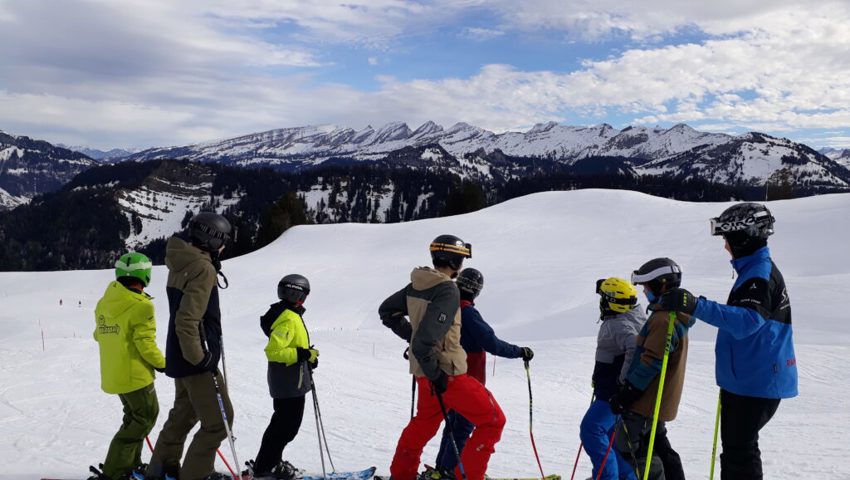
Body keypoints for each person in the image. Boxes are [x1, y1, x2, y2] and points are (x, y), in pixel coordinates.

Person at [653, 203, 797, 480]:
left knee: (740, 452)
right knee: (736, 450)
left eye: (727, 239)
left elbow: (746, 321)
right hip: (749, 378)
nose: (725, 247)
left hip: (756, 382)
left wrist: (695, 305)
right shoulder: (754, 269)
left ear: (743, 238)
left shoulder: (759, 274)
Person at [379, 234, 505, 480]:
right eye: (461, 259)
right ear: (454, 261)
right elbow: (426, 339)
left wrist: (412, 339)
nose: (461, 266)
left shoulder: (417, 284)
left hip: (424, 374)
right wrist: (437, 372)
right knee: (493, 421)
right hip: (446, 374)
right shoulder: (447, 289)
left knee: (424, 423)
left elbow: (387, 311)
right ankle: (468, 476)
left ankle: (401, 474)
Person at [146, 212, 234, 480]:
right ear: (211, 239)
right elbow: (187, 319)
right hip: (195, 358)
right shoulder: (203, 268)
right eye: (223, 241)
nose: (224, 247)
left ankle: (161, 468)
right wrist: (201, 359)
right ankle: (197, 474)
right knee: (219, 423)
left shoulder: (181, 261)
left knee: (183, 415)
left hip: (179, 354)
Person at [429, 268, 534, 479]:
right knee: (465, 426)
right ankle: (452, 471)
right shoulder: (467, 312)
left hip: (445, 376)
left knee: (454, 425)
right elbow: (490, 342)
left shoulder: (448, 308)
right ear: (477, 291)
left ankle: (443, 470)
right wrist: (519, 352)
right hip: (467, 380)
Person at [609, 258, 694, 480]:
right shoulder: (669, 315)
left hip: (646, 401)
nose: (644, 292)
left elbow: (651, 361)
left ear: (662, 284)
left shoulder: (664, 319)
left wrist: (628, 392)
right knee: (658, 443)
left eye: (647, 286)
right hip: (655, 399)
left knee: (630, 445)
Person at [92, 252, 165, 480]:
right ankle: (115, 471)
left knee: (133, 418)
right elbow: (145, 343)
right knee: (145, 416)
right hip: (136, 377)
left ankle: (131, 464)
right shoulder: (141, 306)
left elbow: (98, 335)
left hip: (114, 375)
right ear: (145, 276)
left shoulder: (104, 304)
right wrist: (163, 364)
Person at [249, 274, 319, 480]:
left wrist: (308, 356)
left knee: (284, 426)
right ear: (296, 294)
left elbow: (290, 347)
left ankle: (270, 463)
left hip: (290, 380)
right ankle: (265, 467)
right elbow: (274, 351)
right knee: (285, 428)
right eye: (304, 295)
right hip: (289, 383)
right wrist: (301, 354)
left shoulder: (289, 313)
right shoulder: (288, 317)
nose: (304, 299)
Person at [579, 278, 645, 480]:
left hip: (612, 393)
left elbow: (634, 348)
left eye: (603, 298)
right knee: (607, 439)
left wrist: (623, 382)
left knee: (591, 430)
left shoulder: (618, 324)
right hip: (614, 391)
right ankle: (624, 477)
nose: (601, 303)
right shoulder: (633, 317)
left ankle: (608, 477)